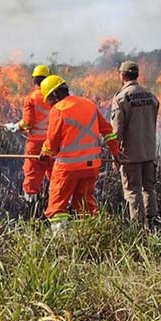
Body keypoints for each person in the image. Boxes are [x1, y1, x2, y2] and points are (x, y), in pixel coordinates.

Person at [38, 75, 119, 231]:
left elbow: (52, 141)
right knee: (85, 206)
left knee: (57, 206)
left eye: (48, 99)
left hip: (67, 167)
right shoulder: (89, 104)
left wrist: (45, 152)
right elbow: (107, 131)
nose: (49, 104)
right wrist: (115, 152)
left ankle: (61, 243)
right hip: (91, 167)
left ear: (55, 95)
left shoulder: (58, 109)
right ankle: (89, 238)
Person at [110, 60, 160, 228]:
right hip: (149, 151)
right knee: (149, 189)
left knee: (133, 191)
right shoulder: (150, 95)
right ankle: (152, 225)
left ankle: (138, 230)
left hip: (130, 155)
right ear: (136, 75)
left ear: (122, 75)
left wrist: (115, 155)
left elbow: (116, 131)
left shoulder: (121, 98)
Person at [5, 65, 54, 202]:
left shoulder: (31, 98)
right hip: (54, 142)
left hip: (35, 143)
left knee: (32, 173)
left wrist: (15, 127)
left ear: (34, 81)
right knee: (55, 173)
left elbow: (27, 123)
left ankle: (31, 204)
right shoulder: (55, 97)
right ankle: (58, 202)